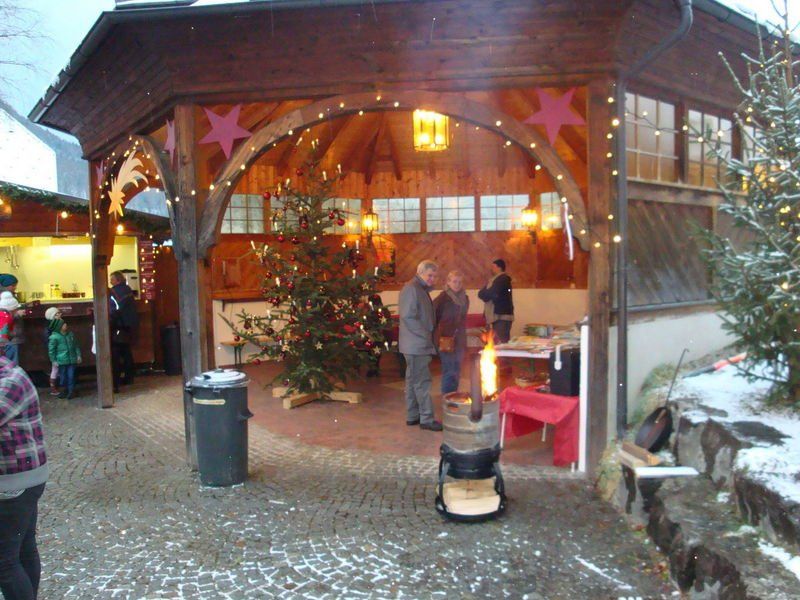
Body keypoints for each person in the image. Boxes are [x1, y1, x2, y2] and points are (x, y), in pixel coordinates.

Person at [0, 355, 48, 600]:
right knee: (23, 549)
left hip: (14, 484)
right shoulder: (11, 374)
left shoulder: (8, 382)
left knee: (4, 563)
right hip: (24, 479)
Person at [399, 260, 442, 431]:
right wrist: (425, 336)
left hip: (414, 343)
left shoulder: (420, 289)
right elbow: (408, 317)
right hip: (417, 344)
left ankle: (413, 416)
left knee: (412, 381)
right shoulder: (412, 289)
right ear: (420, 273)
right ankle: (426, 418)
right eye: (429, 275)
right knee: (422, 382)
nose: (432, 279)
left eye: (435, 276)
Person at [433, 270, 469, 395]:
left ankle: (454, 395)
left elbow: (463, 319)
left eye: (459, 282)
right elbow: (433, 317)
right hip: (445, 339)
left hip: (459, 338)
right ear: (448, 282)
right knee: (449, 370)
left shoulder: (465, 299)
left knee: (457, 369)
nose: (457, 284)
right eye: (454, 281)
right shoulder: (442, 298)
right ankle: (447, 398)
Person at [109, 271, 138, 393]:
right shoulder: (128, 290)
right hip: (129, 326)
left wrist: (110, 321)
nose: (110, 281)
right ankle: (129, 377)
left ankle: (115, 382)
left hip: (119, 326)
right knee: (126, 352)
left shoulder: (114, 292)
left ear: (118, 280)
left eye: (112, 279)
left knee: (116, 353)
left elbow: (114, 310)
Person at [478, 258, 514, 345]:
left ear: (500, 268)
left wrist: (486, 295)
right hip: (496, 316)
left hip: (502, 316)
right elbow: (480, 293)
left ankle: (503, 354)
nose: (491, 269)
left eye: (493, 267)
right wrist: (486, 295)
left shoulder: (503, 279)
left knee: (501, 343)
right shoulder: (493, 280)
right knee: (495, 342)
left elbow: (490, 293)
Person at [47, 319, 81, 400]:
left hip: (72, 359)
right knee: (63, 377)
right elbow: (51, 350)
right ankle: (66, 390)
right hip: (62, 361)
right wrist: (53, 360)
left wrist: (78, 355)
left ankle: (71, 391)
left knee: (71, 376)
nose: (65, 325)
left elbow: (76, 345)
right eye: (63, 324)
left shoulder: (70, 335)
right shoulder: (54, 337)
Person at [0, 275, 24, 367]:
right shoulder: (6, 299)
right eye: (13, 285)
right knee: (12, 364)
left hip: (8, 339)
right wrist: (17, 314)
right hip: (10, 339)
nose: (15, 287)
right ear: (6, 285)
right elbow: (5, 318)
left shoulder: (7, 296)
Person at [44, 308, 62, 396]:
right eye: (57, 314)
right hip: (57, 350)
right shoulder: (53, 327)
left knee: (56, 369)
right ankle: (54, 388)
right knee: (55, 368)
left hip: (58, 350)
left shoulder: (52, 326)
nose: (60, 314)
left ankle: (54, 387)